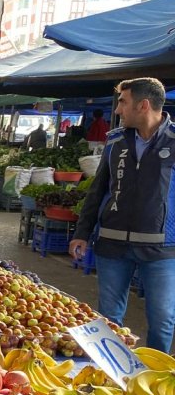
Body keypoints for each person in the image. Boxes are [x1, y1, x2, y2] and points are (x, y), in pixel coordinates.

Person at [69, 77, 175, 352]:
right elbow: (98, 190)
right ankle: (108, 375)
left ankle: (154, 380)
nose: (117, 110)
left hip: (162, 249)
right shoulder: (115, 141)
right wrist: (82, 233)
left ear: (143, 105)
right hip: (112, 244)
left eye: (123, 103)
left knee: (162, 320)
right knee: (108, 319)